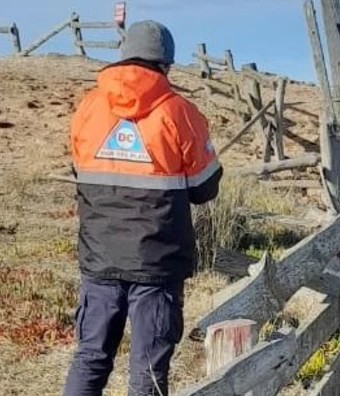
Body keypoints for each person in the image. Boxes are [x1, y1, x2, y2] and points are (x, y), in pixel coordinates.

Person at [63, 20, 223, 396]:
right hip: (157, 262)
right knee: (147, 371)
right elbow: (204, 188)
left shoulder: (88, 107)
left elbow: (79, 171)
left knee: (90, 357)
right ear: (166, 64)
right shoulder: (180, 112)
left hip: (99, 258)